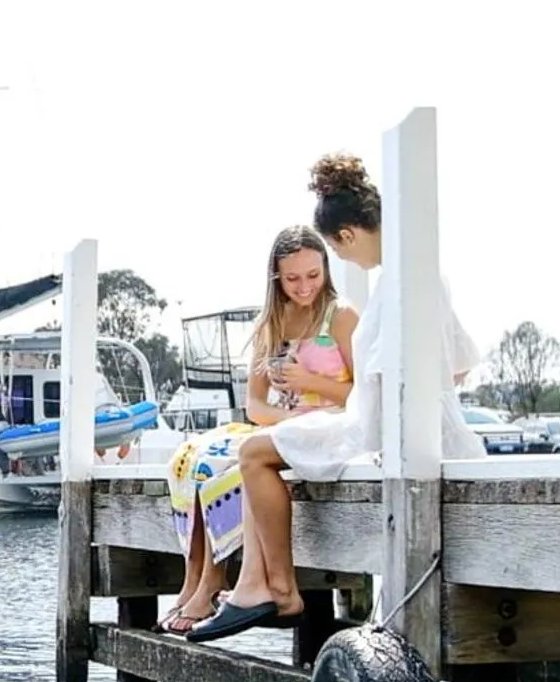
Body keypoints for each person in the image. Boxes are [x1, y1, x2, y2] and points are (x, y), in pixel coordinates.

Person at [188, 152, 484, 643]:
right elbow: (458, 364)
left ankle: (277, 589)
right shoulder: (417, 273)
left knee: (253, 453)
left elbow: (392, 379)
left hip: (377, 432)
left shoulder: (400, 282)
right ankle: (260, 585)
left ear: (346, 235)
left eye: (336, 254)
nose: (345, 262)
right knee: (254, 451)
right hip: (393, 426)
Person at [155, 225, 358, 634]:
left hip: (338, 423)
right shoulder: (274, 321)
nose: (304, 288)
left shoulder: (340, 316)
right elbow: (256, 404)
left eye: (313, 276)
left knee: (245, 455)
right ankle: (197, 582)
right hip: (291, 427)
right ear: (277, 278)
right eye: (293, 278)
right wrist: (289, 421)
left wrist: (307, 382)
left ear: (326, 270)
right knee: (200, 457)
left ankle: (231, 586)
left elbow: (363, 394)